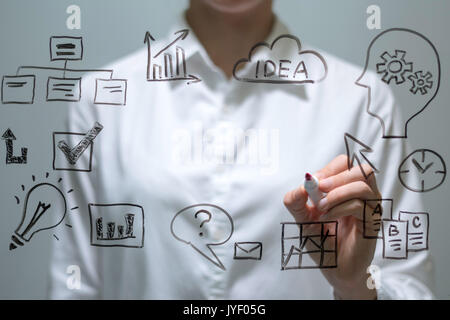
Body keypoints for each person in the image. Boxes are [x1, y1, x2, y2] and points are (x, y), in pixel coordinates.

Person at [48, 0, 434, 299]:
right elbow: (74, 282)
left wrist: (355, 288)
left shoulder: (361, 101)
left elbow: (409, 282)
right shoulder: (100, 101)